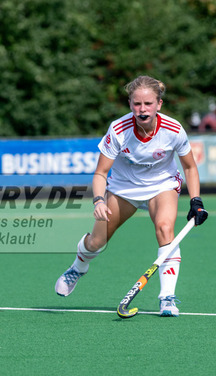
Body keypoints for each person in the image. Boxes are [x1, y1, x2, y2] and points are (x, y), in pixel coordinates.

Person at [55, 75, 208, 317]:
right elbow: (100, 173)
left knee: (165, 229)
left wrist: (195, 200)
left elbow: (189, 167)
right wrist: (99, 200)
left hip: (162, 185)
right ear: (130, 104)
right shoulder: (119, 130)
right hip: (123, 188)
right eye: (137, 104)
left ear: (159, 104)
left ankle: (167, 298)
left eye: (148, 103)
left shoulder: (173, 129)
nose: (142, 109)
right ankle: (78, 267)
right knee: (97, 242)